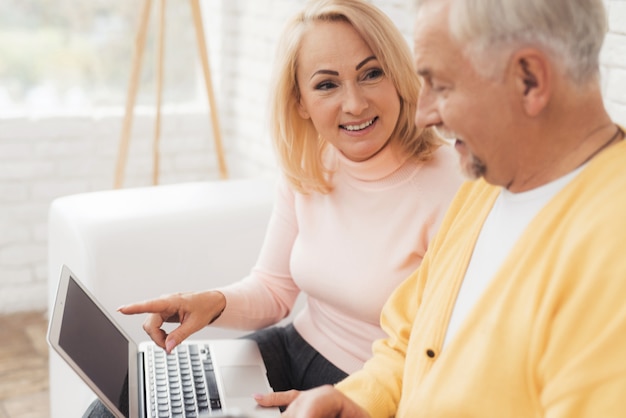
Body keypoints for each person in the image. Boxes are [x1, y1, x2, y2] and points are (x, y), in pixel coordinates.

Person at [83, 0, 463, 416]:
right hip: (288, 348)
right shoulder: (312, 165)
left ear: (399, 77)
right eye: (326, 85)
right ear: (300, 101)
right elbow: (274, 289)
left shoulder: (453, 183)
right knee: (119, 405)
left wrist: (353, 400)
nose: (354, 104)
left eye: (371, 74)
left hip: (374, 387)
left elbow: (452, 350)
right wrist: (211, 302)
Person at [257, 0, 626, 416]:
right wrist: (359, 399)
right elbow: (409, 342)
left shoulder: (610, 252)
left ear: (528, 79)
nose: (422, 113)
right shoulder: (485, 186)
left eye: (442, 85)